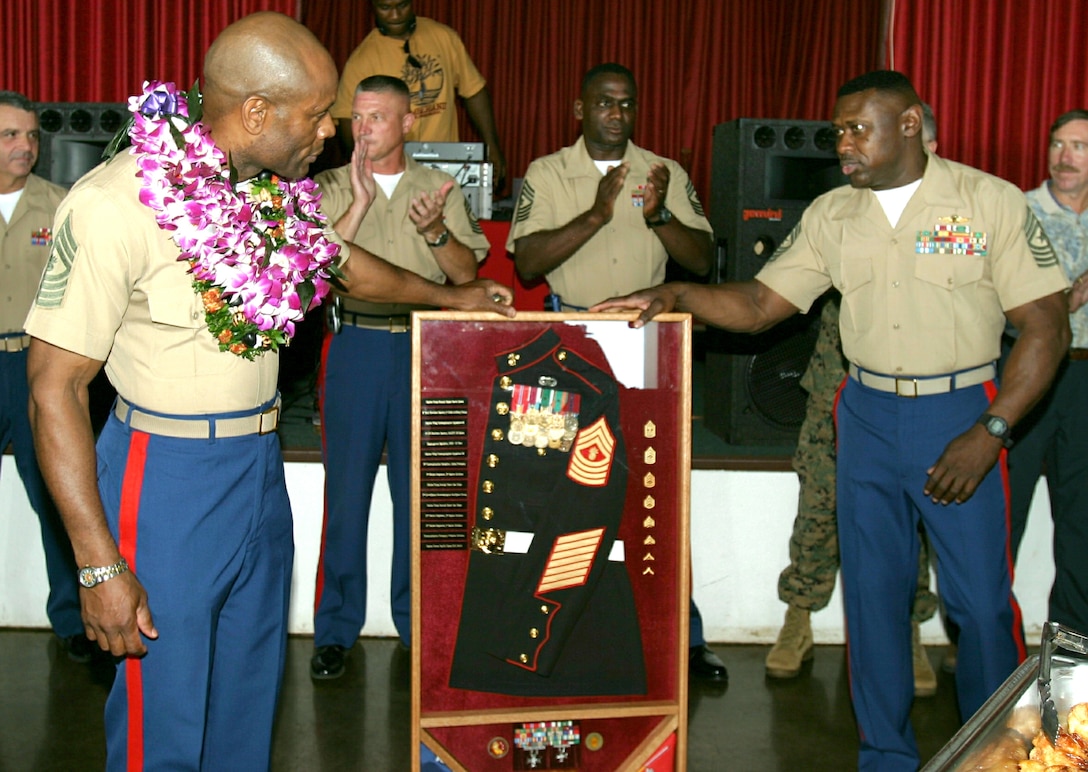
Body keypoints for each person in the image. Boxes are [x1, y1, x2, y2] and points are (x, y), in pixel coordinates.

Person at [23, 12, 513, 770]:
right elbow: (53, 388)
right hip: (165, 476)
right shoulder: (117, 202)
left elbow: (344, 264)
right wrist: (97, 566)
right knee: (167, 710)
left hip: (257, 466)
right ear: (256, 112)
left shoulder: (268, 192)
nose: (331, 131)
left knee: (249, 697)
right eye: (318, 115)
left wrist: (452, 299)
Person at [595, 70, 1070, 770]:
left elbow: (1046, 328)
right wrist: (675, 293)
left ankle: (997, 755)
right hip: (868, 418)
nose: (842, 143)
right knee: (873, 605)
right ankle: (884, 754)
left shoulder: (985, 201)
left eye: (857, 129)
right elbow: (760, 306)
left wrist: (990, 430)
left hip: (962, 414)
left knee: (982, 610)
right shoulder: (831, 215)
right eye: (838, 130)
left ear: (909, 124)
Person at [507, 62, 726, 683]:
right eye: (604, 103)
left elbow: (703, 260)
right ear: (579, 109)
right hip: (563, 342)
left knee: (656, 495)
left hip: (645, 343)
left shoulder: (664, 173)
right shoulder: (549, 173)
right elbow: (526, 263)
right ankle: (551, 630)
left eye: (626, 104)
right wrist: (598, 214)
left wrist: (657, 216)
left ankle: (683, 636)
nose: (617, 114)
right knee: (553, 494)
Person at [309, 74, 490, 680]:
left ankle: (422, 629)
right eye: (357, 117)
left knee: (424, 503)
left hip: (427, 352)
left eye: (378, 117)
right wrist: (357, 205)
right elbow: (314, 275)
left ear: (409, 123)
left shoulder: (439, 187)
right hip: (356, 346)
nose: (363, 129)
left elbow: (467, 277)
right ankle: (335, 630)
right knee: (347, 498)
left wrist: (434, 230)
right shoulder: (328, 185)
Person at [766, 104, 945, 696]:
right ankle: (798, 618)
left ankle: (910, 629)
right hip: (836, 386)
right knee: (818, 505)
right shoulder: (842, 210)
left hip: (910, 394)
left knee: (909, 514)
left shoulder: (950, 216)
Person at [0, 91, 89, 662]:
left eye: (32, 136)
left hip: (33, 365)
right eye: (11, 135)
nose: (26, 147)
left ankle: (73, 621)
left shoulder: (61, 207)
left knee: (57, 495)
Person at [1006, 109, 1088, 635]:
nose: (1064, 157)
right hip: (1026, 375)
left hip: (1083, 381)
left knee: (1081, 525)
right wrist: (1063, 297)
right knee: (1002, 519)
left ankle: (1073, 649)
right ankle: (988, 642)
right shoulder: (1018, 212)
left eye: (1079, 147)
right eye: (1058, 145)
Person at [331, 0, 507, 191]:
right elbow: (347, 123)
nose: (395, 15)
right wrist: (364, 166)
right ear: (373, 8)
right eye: (385, 8)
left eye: (402, 6)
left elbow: (474, 91)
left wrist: (492, 147)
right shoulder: (362, 60)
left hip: (447, 168)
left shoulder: (443, 37)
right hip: (393, 173)